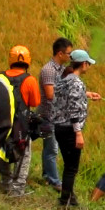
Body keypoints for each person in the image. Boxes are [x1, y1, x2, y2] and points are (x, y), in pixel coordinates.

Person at [0, 46, 41, 198]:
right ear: (28, 61)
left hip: (2, 123)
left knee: (3, 151)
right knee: (23, 155)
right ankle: (17, 189)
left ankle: (6, 182)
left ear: (11, 59)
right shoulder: (29, 80)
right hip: (20, 125)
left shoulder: (0, 78)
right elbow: (35, 102)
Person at [51, 49, 100, 207]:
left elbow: (66, 97)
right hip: (70, 130)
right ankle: (65, 201)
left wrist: (87, 94)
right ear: (83, 64)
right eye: (88, 64)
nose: (88, 67)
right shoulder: (77, 83)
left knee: (68, 165)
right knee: (72, 168)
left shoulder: (63, 79)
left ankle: (70, 197)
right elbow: (73, 108)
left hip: (59, 127)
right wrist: (78, 132)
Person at [37, 37, 72, 192]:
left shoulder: (60, 69)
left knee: (49, 147)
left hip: (56, 116)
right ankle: (54, 181)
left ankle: (47, 175)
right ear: (60, 53)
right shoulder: (49, 70)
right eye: (68, 54)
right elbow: (50, 94)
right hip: (48, 116)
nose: (70, 57)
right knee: (52, 149)